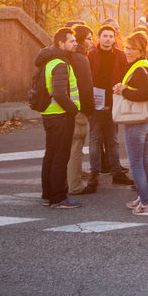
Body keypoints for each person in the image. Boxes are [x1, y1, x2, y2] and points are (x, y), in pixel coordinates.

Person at [35, 28, 82, 210]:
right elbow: (60, 93)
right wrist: (73, 110)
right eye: (71, 41)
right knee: (60, 157)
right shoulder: (60, 64)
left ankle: (48, 195)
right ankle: (59, 197)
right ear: (61, 43)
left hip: (50, 114)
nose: (75, 43)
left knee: (51, 155)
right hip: (61, 116)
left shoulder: (49, 61)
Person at [114, 32, 148, 216]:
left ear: (141, 51)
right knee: (143, 160)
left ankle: (146, 204)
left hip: (137, 121)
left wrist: (124, 91)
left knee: (136, 163)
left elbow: (144, 93)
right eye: (127, 47)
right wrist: (124, 89)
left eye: (132, 48)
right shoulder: (144, 66)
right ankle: (145, 197)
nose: (128, 51)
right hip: (147, 119)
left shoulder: (139, 69)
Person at [88, 25, 132, 186]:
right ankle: (94, 175)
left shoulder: (120, 55)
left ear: (114, 39)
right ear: (99, 38)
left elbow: (125, 76)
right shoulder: (91, 54)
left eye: (110, 36)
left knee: (113, 140)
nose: (107, 39)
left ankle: (116, 173)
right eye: (105, 36)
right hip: (95, 103)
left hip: (113, 102)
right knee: (95, 140)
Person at [63, 25, 95, 196]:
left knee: (63, 148)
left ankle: (62, 182)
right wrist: (89, 110)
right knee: (76, 147)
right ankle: (74, 185)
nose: (92, 42)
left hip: (59, 110)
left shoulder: (60, 57)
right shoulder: (80, 59)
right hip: (78, 109)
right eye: (89, 38)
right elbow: (86, 88)